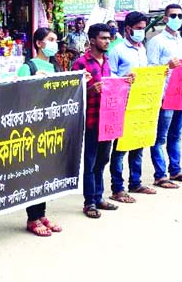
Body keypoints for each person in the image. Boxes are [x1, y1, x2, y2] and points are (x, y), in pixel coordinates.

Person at [73, 23, 128, 218]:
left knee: (102, 160)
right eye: (103, 38)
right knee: (90, 161)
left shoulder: (107, 62)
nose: (107, 41)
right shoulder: (80, 63)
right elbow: (73, 94)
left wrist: (125, 81)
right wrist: (89, 90)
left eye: (109, 38)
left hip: (107, 120)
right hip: (90, 120)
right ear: (93, 40)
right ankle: (90, 202)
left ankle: (99, 197)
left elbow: (111, 86)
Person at [16, 27, 64, 236]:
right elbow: (18, 94)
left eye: (55, 39)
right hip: (33, 129)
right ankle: (32, 217)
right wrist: (35, 80)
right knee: (34, 173)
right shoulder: (28, 67)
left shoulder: (56, 66)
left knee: (46, 173)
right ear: (38, 43)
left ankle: (42, 213)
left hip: (52, 128)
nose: (54, 43)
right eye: (50, 39)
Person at [146, 4, 182, 189]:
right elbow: (150, 69)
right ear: (165, 18)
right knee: (160, 137)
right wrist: (166, 67)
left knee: (176, 135)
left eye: (180, 15)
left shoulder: (180, 41)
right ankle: (160, 175)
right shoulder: (156, 41)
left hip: (180, 95)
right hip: (164, 95)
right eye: (173, 15)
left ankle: (175, 170)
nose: (177, 18)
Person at [106, 11, 156, 203]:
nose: (141, 32)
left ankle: (136, 182)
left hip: (141, 102)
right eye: (138, 29)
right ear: (127, 29)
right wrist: (124, 80)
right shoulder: (117, 50)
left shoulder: (142, 48)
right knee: (120, 148)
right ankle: (117, 188)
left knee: (138, 143)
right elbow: (109, 77)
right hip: (122, 104)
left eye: (143, 29)